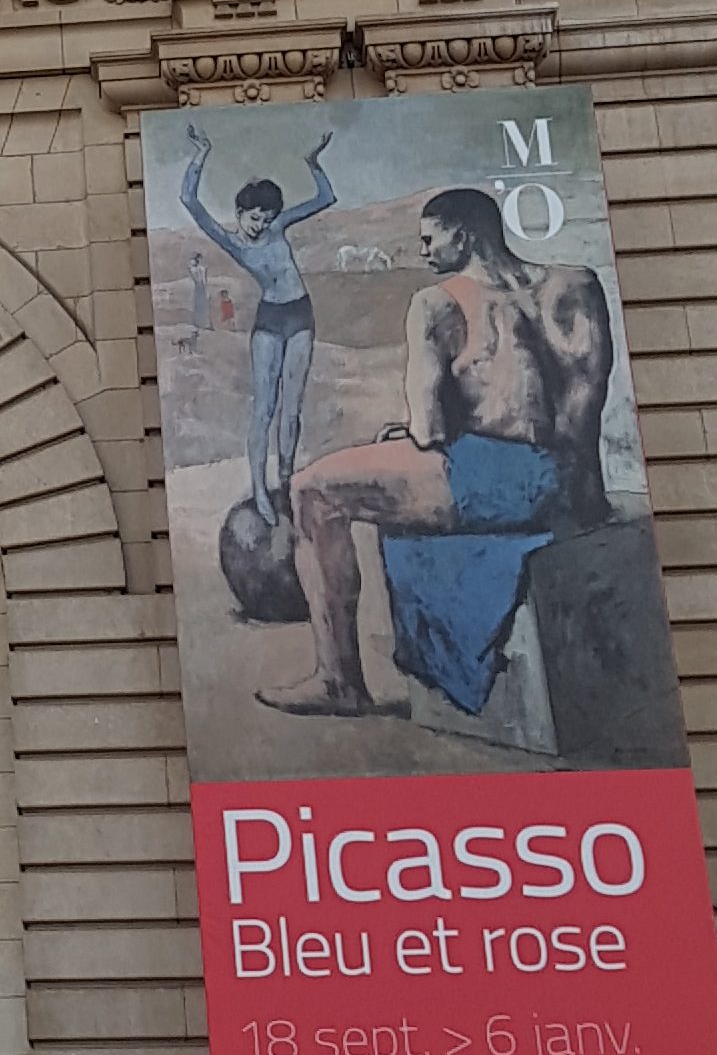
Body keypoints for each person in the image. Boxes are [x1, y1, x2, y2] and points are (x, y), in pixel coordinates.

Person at [262, 185, 615, 721]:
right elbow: (581, 409)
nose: (422, 250)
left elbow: (428, 432)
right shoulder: (577, 285)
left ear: (464, 236)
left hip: (494, 482)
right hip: (573, 483)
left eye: (430, 239)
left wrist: (407, 434)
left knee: (311, 490)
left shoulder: (438, 304)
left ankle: (339, 682)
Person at [178, 121, 337, 525]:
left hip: (300, 314)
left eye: (266, 218)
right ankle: (260, 490)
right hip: (269, 320)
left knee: (291, 408)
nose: (261, 224)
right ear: (240, 213)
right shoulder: (230, 240)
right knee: (264, 407)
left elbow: (326, 197)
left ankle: (285, 481)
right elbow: (189, 200)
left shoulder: (279, 226)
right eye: (254, 217)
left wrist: (313, 162)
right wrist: (201, 154)